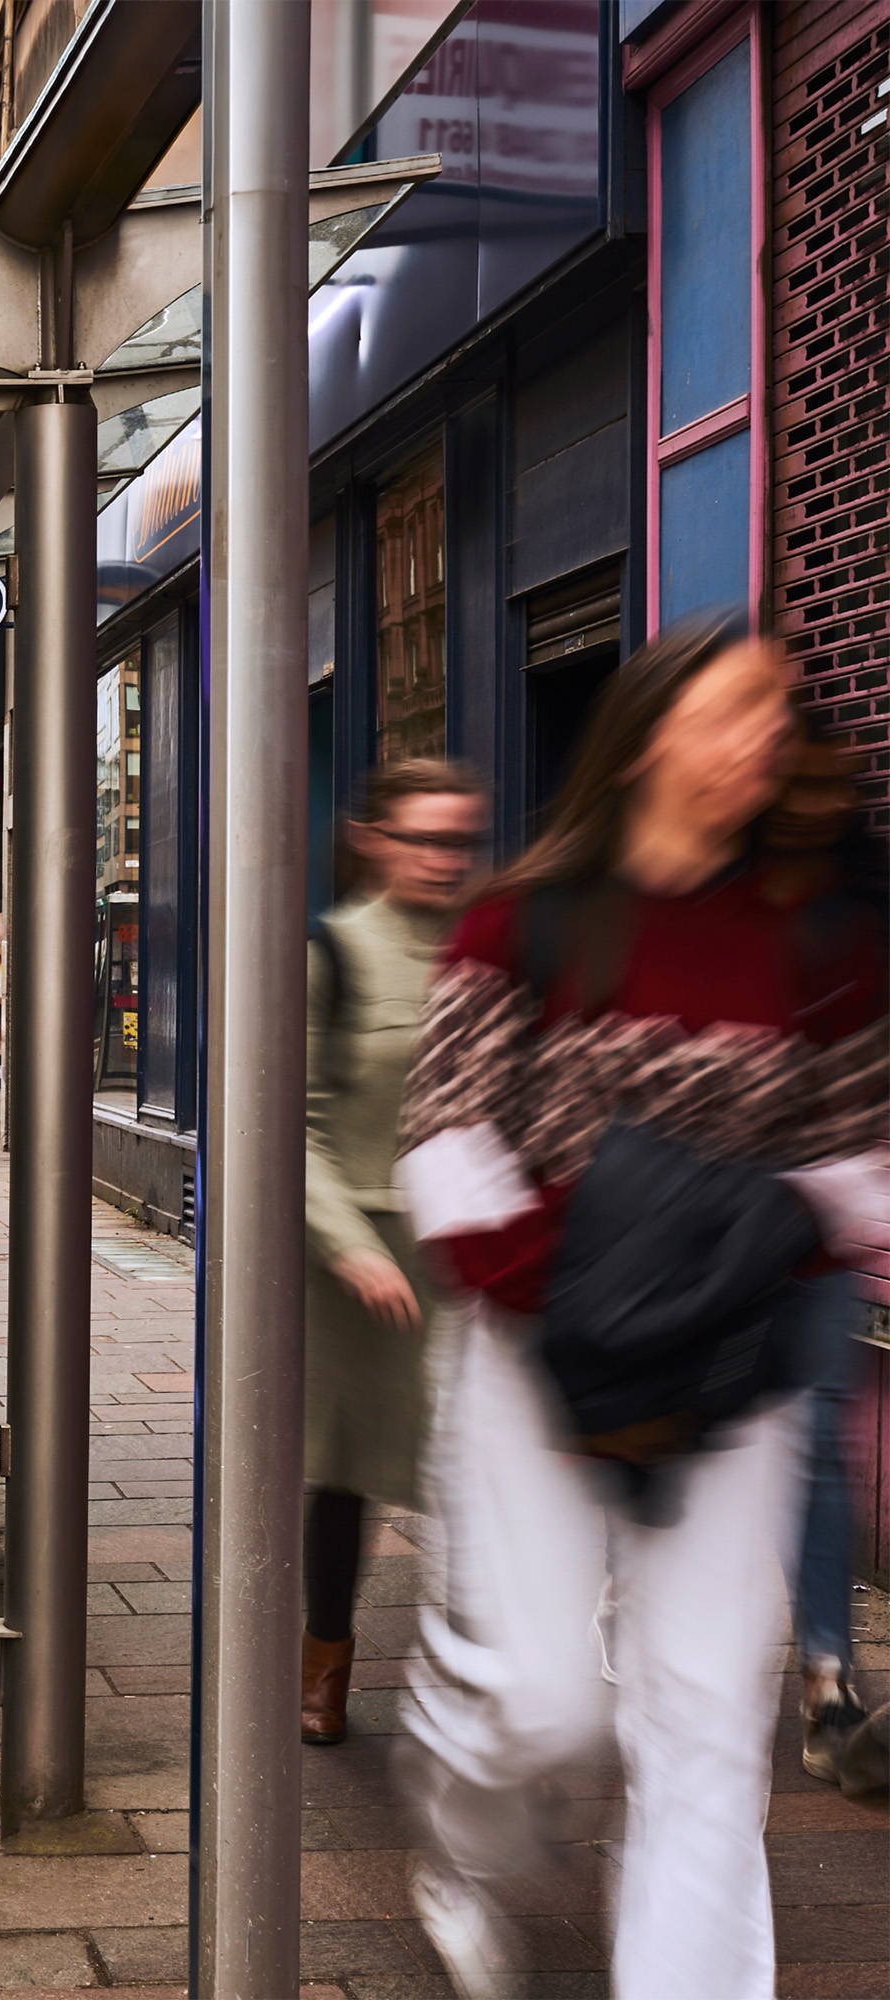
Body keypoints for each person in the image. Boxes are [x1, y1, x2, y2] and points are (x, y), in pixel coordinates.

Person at [393, 612, 887, 2000]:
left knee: (706, 1725)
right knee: (543, 1701)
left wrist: (739, 1246)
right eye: (736, 710)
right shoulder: (522, 919)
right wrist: (583, 1286)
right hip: (533, 1362)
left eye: (778, 720)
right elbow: (444, 1146)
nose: (764, 743)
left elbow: (861, 1160)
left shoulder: (817, 942)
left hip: (733, 1376)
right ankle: (460, 1832)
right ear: (654, 728)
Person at [302, 758, 487, 1745]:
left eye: (460, 840)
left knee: (475, 1463)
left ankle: (471, 1676)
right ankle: (323, 1657)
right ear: (371, 839)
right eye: (423, 838)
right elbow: (291, 1124)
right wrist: (344, 1243)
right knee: (346, 1472)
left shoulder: (488, 950)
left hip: (463, 1252)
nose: (443, 859)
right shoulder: (333, 952)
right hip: (360, 1259)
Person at [761, 722, 885, 1776]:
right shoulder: (716, 907)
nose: (806, 808)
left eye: (823, 792)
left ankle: (826, 1676)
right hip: (706, 1222)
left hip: (821, 1231)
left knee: (813, 1449)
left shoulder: (859, 921)